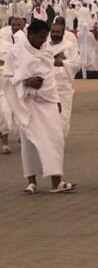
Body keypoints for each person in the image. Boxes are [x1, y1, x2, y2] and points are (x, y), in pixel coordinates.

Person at [3, 19, 75, 194]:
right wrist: (27, 82)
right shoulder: (16, 52)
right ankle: (31, 182)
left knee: (55, 140)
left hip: (47, 101)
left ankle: (57, 181)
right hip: (27, 104)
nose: (43, 41)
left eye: (45, 37)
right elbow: (6, 77)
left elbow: (50, 78)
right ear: (31, 35)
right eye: (40, 37)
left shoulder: (46, 51)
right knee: (29, 142)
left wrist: (56, 99)